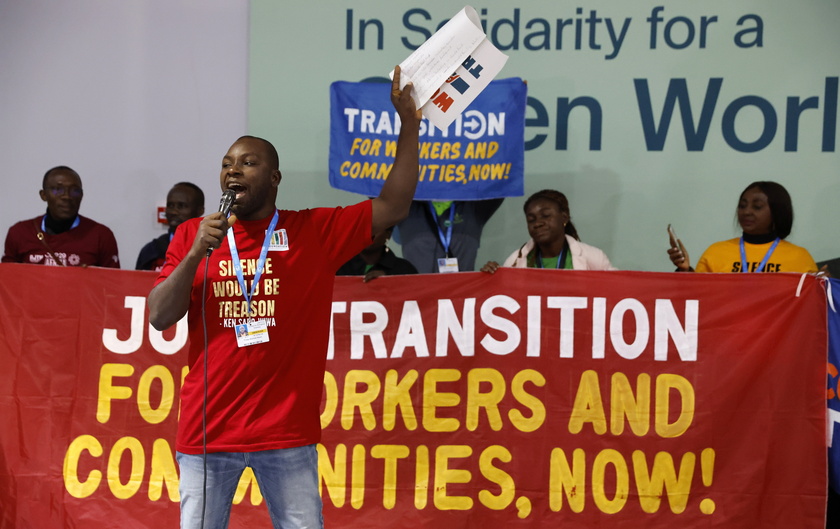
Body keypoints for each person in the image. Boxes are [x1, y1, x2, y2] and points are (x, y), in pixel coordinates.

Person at [146, 66, 420, 529]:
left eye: (248, 162)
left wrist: (409, 126)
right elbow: (158, 316)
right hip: (209, 431)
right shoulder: (195, 234)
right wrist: (195, 253)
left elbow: (394, 205)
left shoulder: (311, 231)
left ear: (275, 177)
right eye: (228, 162)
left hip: (286, 432)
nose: (234, 168)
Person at [668, 181, 818, 273]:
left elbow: (811, 306)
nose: (746, 212)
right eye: (742, 206)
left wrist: (825, 286)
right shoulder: (716, 252)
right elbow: (698, 298)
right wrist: (685, 270)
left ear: (778, 212)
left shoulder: (799, 257)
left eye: (757, 207)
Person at [2, 166, 120, 267]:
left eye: (75, 191)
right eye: (58, 190)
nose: (67, 197)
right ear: (44, 195)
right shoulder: (20, 233)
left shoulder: (100, 235)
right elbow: (7, 282)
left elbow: (112, 287)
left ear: (81, 196)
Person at [481, 189, 616, 273]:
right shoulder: (515, 261)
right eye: (531, 219)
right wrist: (491, 278)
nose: (537, 223)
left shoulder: (593, 257)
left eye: (546, 216)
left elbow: (618, 291)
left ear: (564, 217)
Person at [396, 198, 503, 273]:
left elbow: (502, 178)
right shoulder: (405, 206)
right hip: (418, 299)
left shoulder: (473, 208)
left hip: (460, 299)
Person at [135, 182, 205, 271]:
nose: (173, 212)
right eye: (170, 206)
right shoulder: (151, 250)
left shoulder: (210, 248)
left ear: (200, 210)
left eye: (181, 206)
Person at [336, 226, 417, 282]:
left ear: (388, 234)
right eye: (362, 228)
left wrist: (392, 282)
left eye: (374, 229)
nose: (367, 234)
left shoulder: (405, 270)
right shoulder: (337, 267)